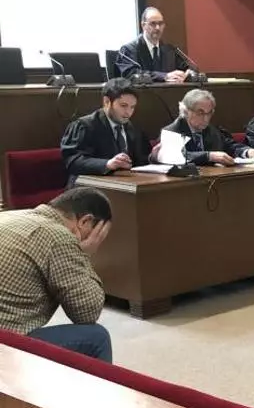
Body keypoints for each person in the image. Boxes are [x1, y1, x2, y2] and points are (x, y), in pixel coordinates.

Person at [0, 188, 113, 362]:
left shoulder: (9, 216)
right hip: (5, 343)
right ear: (85, 221)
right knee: (97, 337)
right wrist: (85, 255)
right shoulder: (59, 237)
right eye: (99, 235)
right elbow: (87, 312)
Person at [60, 78, 153, 187]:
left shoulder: (133, 129)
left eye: (132, 107)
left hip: (124, 186)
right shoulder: (85, 126)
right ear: (107, 102)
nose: (128, 112)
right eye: (123, 106)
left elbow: (141, 160)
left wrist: (154, 156)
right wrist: (107, 164)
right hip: (89, 189)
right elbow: (73, 161)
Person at [161, 89, 254, 166]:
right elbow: (175, 156)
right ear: (186, 112)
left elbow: (229, 145)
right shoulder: (172, 131)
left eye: (209, 113)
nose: (206, 118)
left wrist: (246, 151)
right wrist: (209, 156)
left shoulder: (211, 130)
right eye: (200, 113)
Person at [116, 7, 190, 83]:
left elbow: (187, 68)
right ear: (143, 25)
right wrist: (164, 76)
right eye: (153, 23)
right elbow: (132, 74)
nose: (157, 28)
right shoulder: (128, 50)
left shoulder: (170, 50)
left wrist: (188, 74)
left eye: (160, 23)